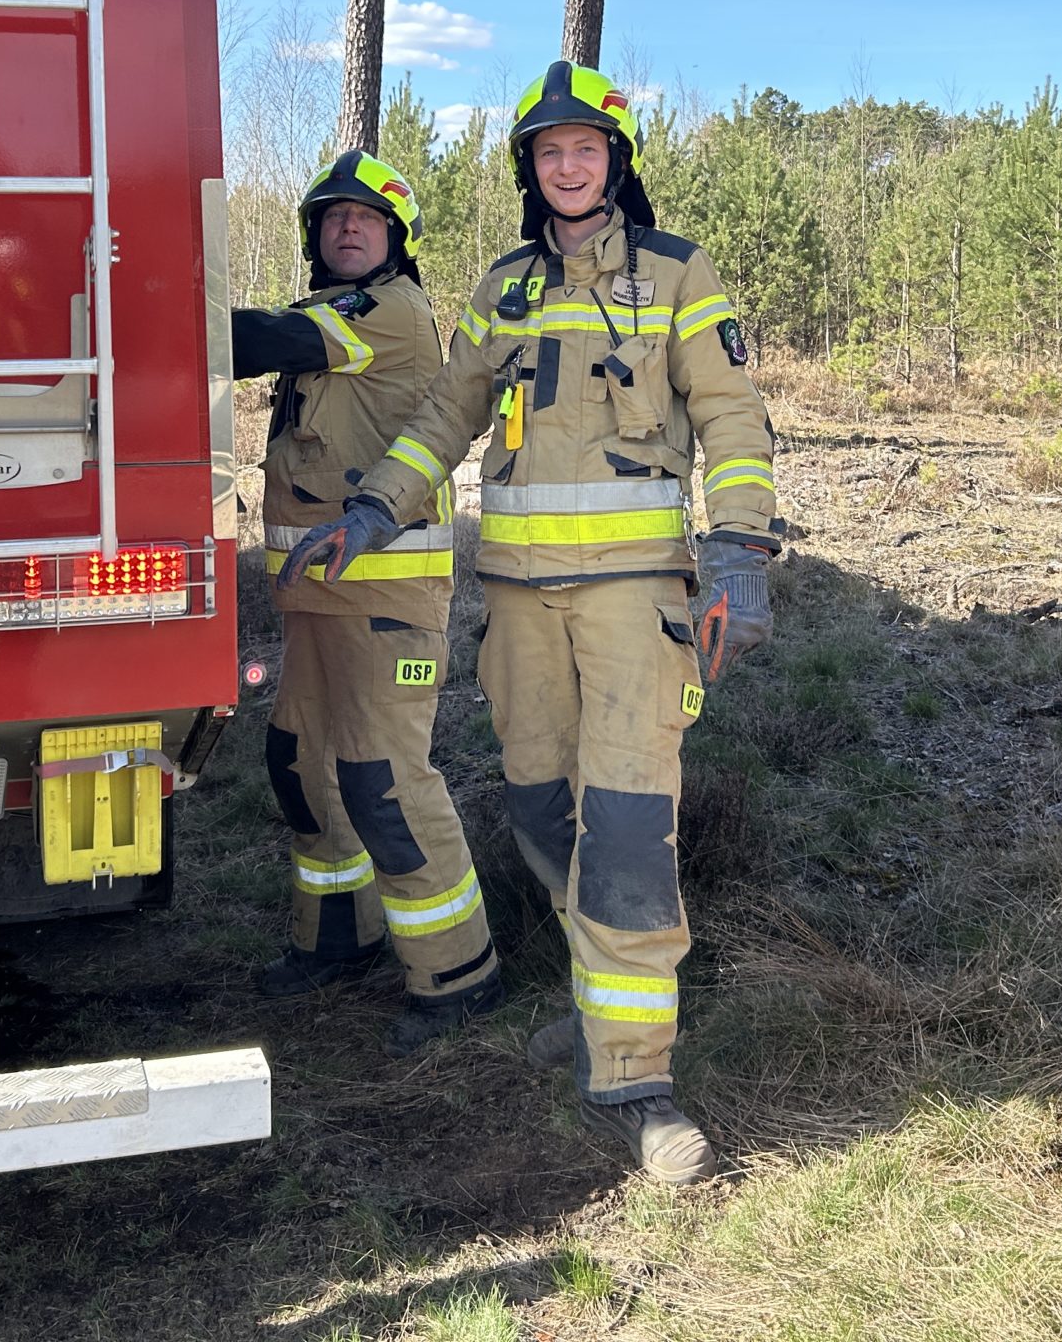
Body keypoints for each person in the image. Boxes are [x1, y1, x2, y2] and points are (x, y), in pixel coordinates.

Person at [281, 64, 779, 1185]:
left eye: (585, 148)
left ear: (616, 161)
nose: (568, 166)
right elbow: (443, 415)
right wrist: (373, 509)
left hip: (634, 601)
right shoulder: (500, 287)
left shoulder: (676, 272)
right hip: (515, 604)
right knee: (542, 813)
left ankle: (637, 1080)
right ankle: (597, 1004)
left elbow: (731, 414)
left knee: (628, 827)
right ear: (528, 168)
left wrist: (741, 550)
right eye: (549, 150)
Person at [232, 151, 504, 1055]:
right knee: (302, 766)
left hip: (387, 600)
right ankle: (338, 939)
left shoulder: (386, 312)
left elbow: (255, 343)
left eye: (368, 218)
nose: (348, 228)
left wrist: (157, 306)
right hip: (316, 599)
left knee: (384, 782)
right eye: (333, 217)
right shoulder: (329, 311)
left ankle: (459, 975)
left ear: (396, 240)